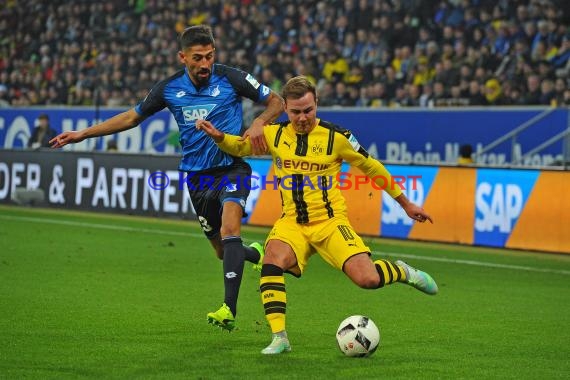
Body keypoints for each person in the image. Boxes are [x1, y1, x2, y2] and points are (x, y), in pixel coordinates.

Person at [50, 25, 284, 331]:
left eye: (210, 57)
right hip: (197, 179)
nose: (205, 64)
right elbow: (132, 117)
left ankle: (229, 308)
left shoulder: (231, 78)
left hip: (232, 168)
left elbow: (276, 100)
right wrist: (83, 133)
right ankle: (254, 253)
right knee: (222, 251)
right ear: (182, 57)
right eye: (197, 57)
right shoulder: (169, 88)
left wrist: (259, 123)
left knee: (230, 229)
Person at [196, 76, 438, 355]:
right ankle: (280, 338)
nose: (302, 118)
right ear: (285, 107)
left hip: (330, 222)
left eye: (308, 110)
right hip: (291, 223)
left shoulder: (338, 137)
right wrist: (219, 138)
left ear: (317, 104)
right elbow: (241, 147)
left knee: (367, 279)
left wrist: (406, 203)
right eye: (296, 112)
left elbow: (372, 167)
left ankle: (403, 271)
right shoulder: (274, 134)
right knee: (272, 260)